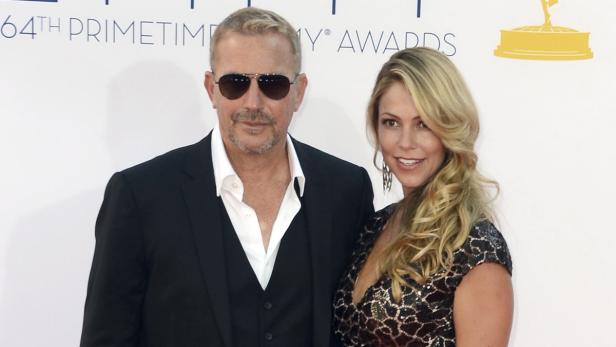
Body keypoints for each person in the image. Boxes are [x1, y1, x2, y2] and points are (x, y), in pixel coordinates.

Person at [80, 7, 374, 347]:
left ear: (299, 91)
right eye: (235, 83)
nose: (253, 102)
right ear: (211, 88)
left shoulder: (346, 190)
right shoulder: (140, 195)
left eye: (273, 84)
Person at [333, 47, 513, 346]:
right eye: (391, 122)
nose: (406, 143)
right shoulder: (376, 225)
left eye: (423, 124)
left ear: (449, 129)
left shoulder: (475, 248)